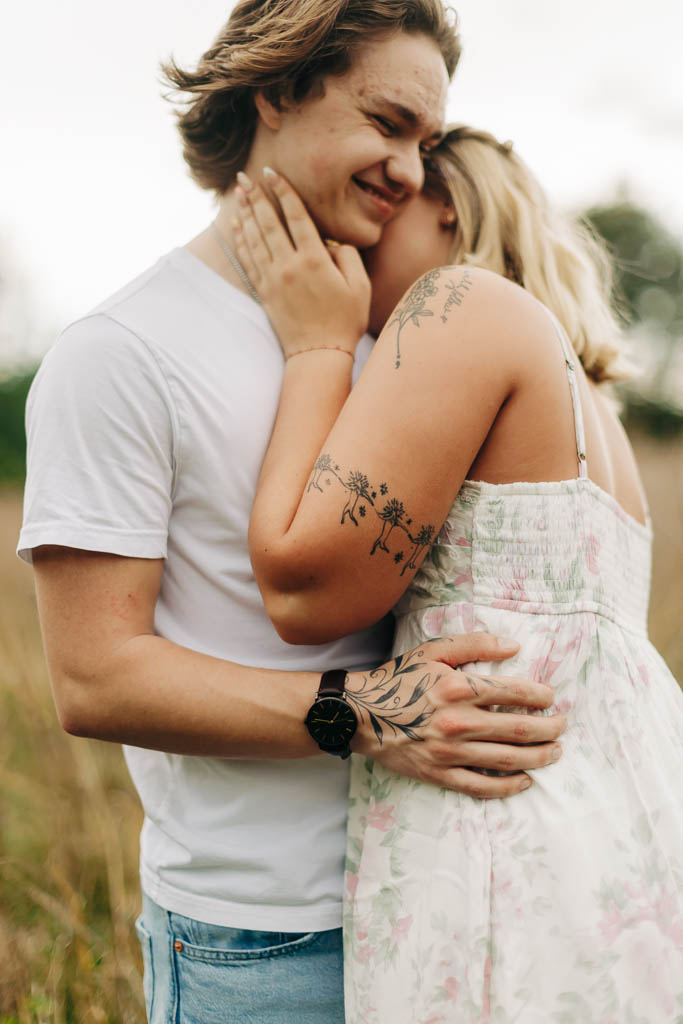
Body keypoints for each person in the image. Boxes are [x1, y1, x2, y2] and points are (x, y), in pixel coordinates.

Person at [16, 6, 567, 1022]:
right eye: (385, 121)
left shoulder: (403, 333)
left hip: (456, 902)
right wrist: (370, 715)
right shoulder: (121, 353)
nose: (408, 167)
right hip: (265, 941)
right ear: (275, 91)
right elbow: (95, 675)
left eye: (426, 143)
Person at [233, 126, 683, 1021]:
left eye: (381, 214)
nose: (348, 245)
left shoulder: (462, 304)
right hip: (618, 841)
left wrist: (315, 344)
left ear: (447, 203)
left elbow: (302, 586)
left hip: (501, 840)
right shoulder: (595, 409)